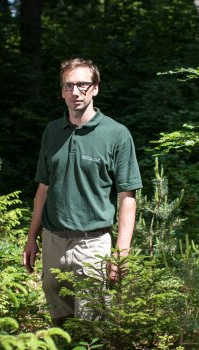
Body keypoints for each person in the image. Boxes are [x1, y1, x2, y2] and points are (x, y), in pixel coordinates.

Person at [22, 58, 142, 326]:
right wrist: (32, 238)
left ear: (95, 88)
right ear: (62, 90)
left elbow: (127, 198)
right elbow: (43, 188)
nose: (75, 92)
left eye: (82, 85)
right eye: (69, 85)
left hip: (93, 244)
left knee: (92, 326)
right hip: (53, 242)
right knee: (59, 325)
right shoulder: (52, 131)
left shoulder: (117, 134)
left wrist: (122, 251)